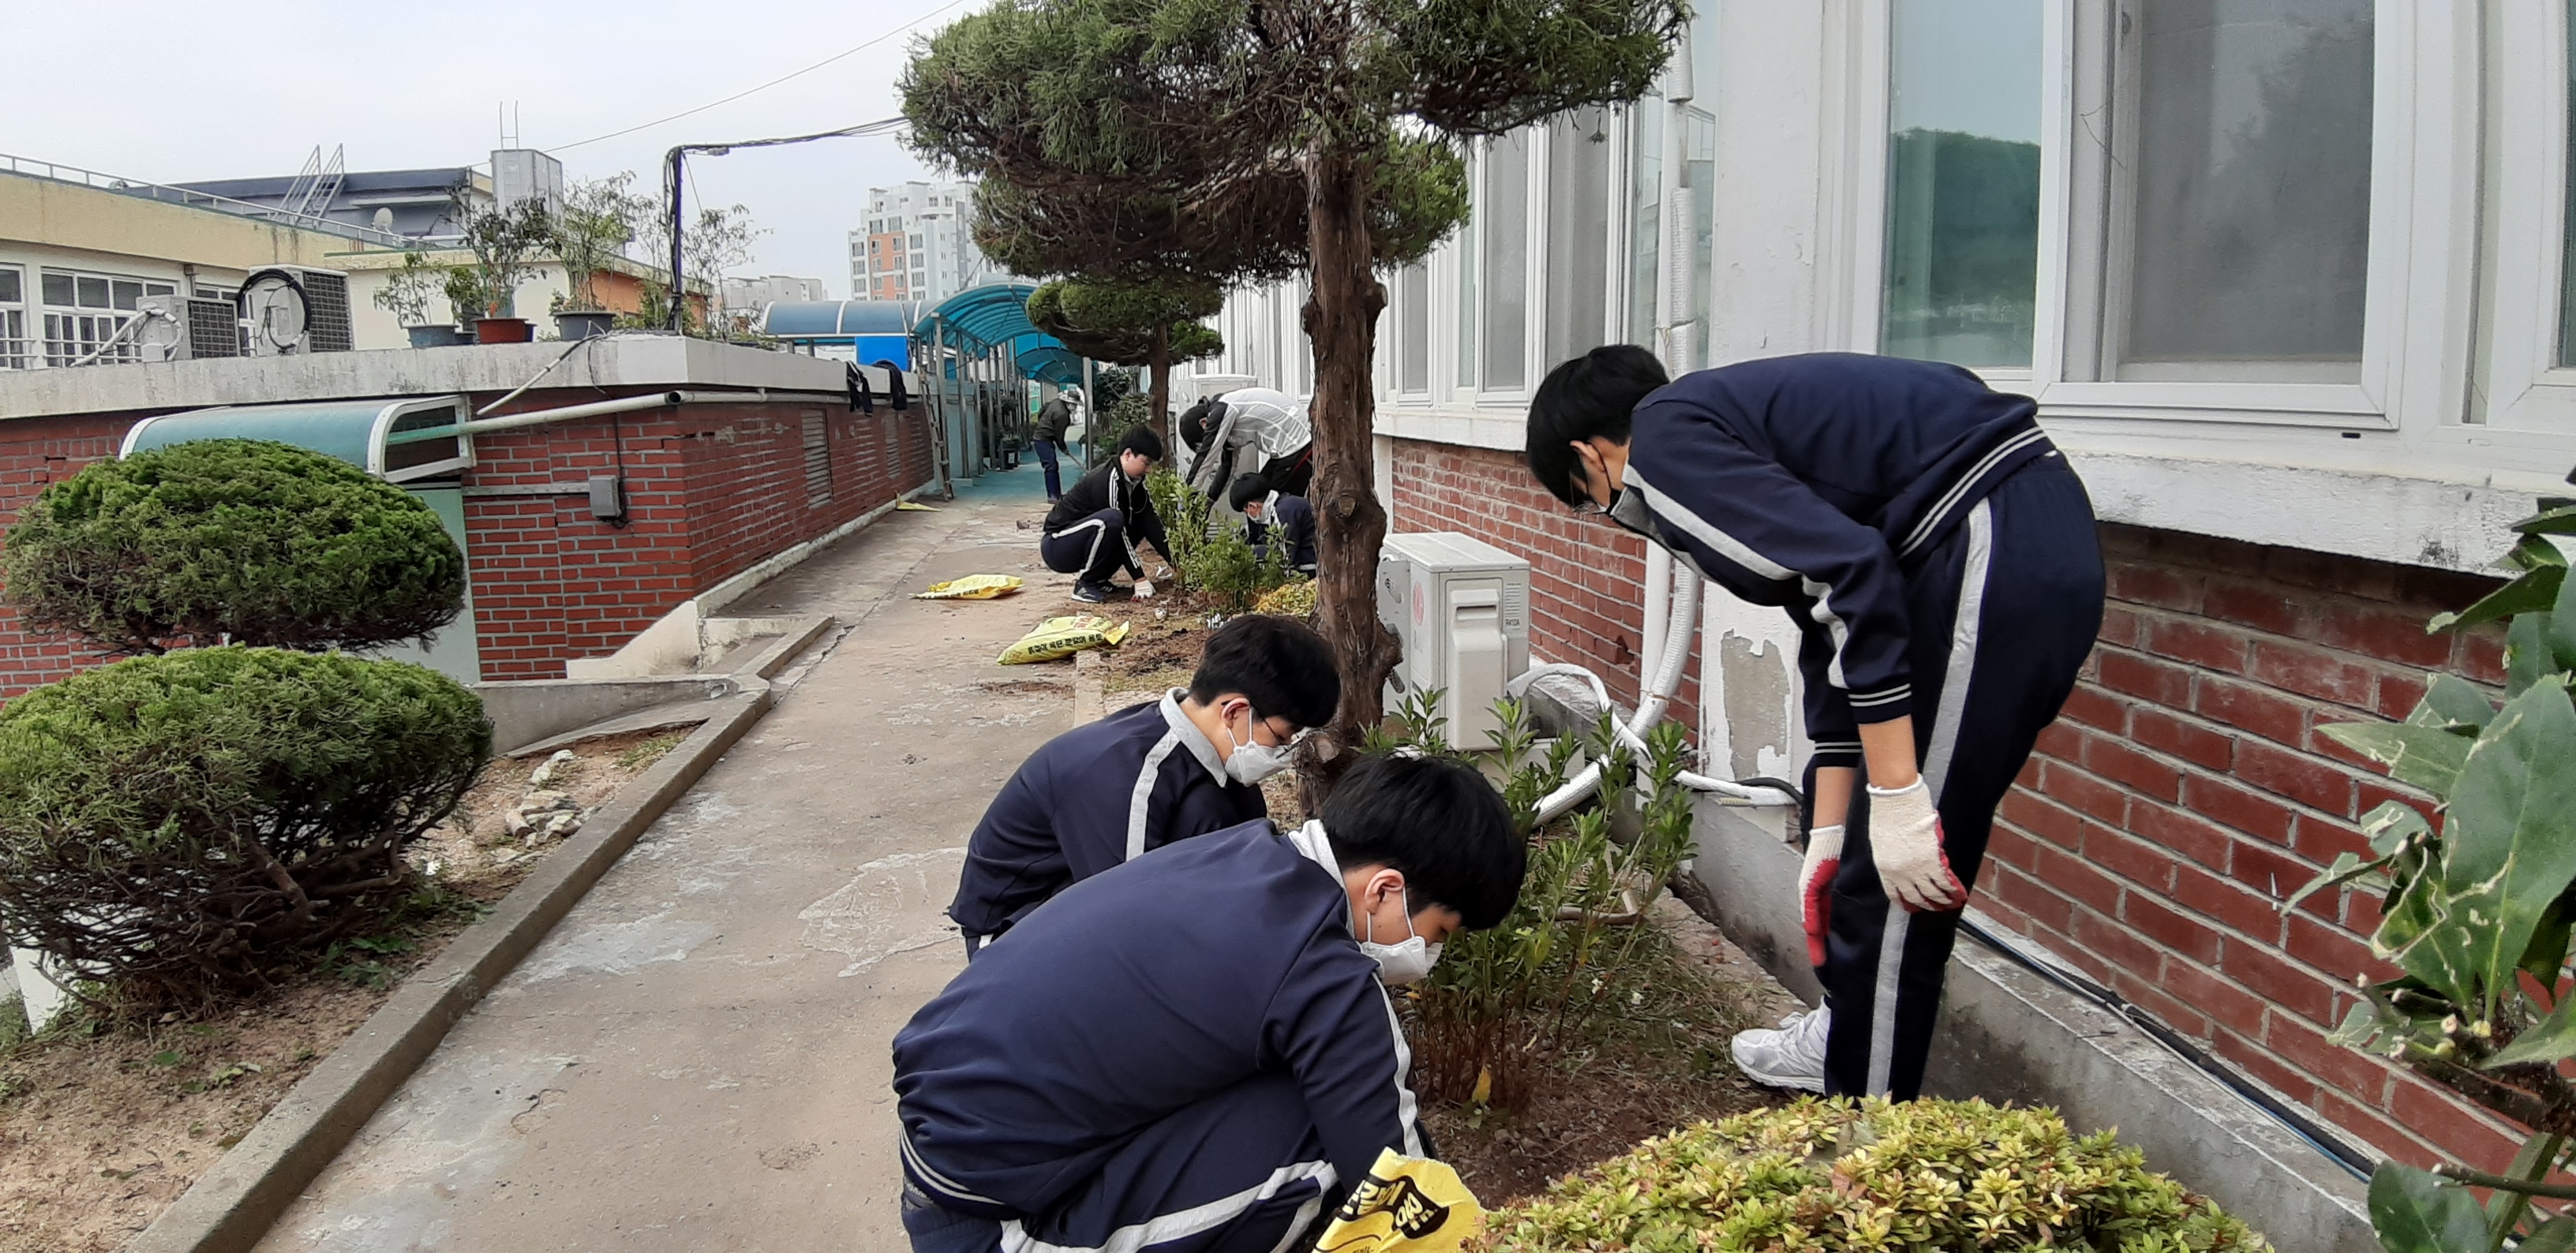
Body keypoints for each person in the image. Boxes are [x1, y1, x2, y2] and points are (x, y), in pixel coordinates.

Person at [1524, 346, 2104, 1102]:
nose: (1616, 515)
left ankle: (1866, 1137)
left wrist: (1896, 795)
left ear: (1591, 453)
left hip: (1990, 544)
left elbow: (1851, 573)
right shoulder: (1728, 426)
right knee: (1863, 865)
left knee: (1899, 881)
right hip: (1983, 540)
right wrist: (1829, 831)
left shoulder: (1664, 440)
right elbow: (1825, 620)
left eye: (1590, 496)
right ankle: (1847, 1034)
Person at [894, 752, 1524, 1253]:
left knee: (1313, 1087)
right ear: (1386, 890)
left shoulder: (1240, 849)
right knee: (1326, 1143)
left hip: (947, 1147)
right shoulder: (1324, 968)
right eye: (1438, 933)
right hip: (994, 1222)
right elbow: (1397, 1180)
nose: (1427, 959)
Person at [947, 613, 1342, 952]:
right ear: (1235, 711)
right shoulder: (1129, 775)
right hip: (1014, 930)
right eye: (1283, 736)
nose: (1284, 753)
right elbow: (1132, 923)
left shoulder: (1209, 760)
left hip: (1090, 896)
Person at [1043, 428, 1175, 604]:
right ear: (1128, 454)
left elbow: (1153, 526)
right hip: (1058, 545)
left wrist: (1179, 565)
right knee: (1113, 520)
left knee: (1138, 523)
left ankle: (1098, 580)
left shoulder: (1135, 483)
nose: (1149, 470)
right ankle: (1085, 585)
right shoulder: (1107, 479)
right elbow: (1117, 532)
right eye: (1146, 462)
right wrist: (1139, 578)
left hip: (1084, 540)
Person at [1181, 387, 1313, 501]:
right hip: (1287, 448)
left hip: (1298, 441)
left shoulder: (1221, 411)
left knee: (1269, 500)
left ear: (1204, 424)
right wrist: (1210, 500)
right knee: (1255, 492)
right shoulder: (1226, 414)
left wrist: (1187, 497)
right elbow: (1228, 468)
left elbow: (1206, 456)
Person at [1227, 472, 1317, 575]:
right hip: (1312, 558)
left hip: (1312, 564)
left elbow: (1288, 553)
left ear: (1252, 506)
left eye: (1246, 512)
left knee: (1258, 553)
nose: (1249, 516)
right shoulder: (1284, 505)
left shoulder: (1283, 511)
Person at [1032, 386, 1082, 502]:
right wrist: (1064, 449)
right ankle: (1053, 496)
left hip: (1044, 437)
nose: (1074, 407)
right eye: (1073, 404)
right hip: (1042, 439)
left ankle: (1057, 494)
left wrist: (1042, 422)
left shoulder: (1056, 402)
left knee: (1053, 466)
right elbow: (1059, 436)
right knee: (1051, 466)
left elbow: (1043, 409)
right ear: (1068, 402)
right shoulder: (1062, 415)